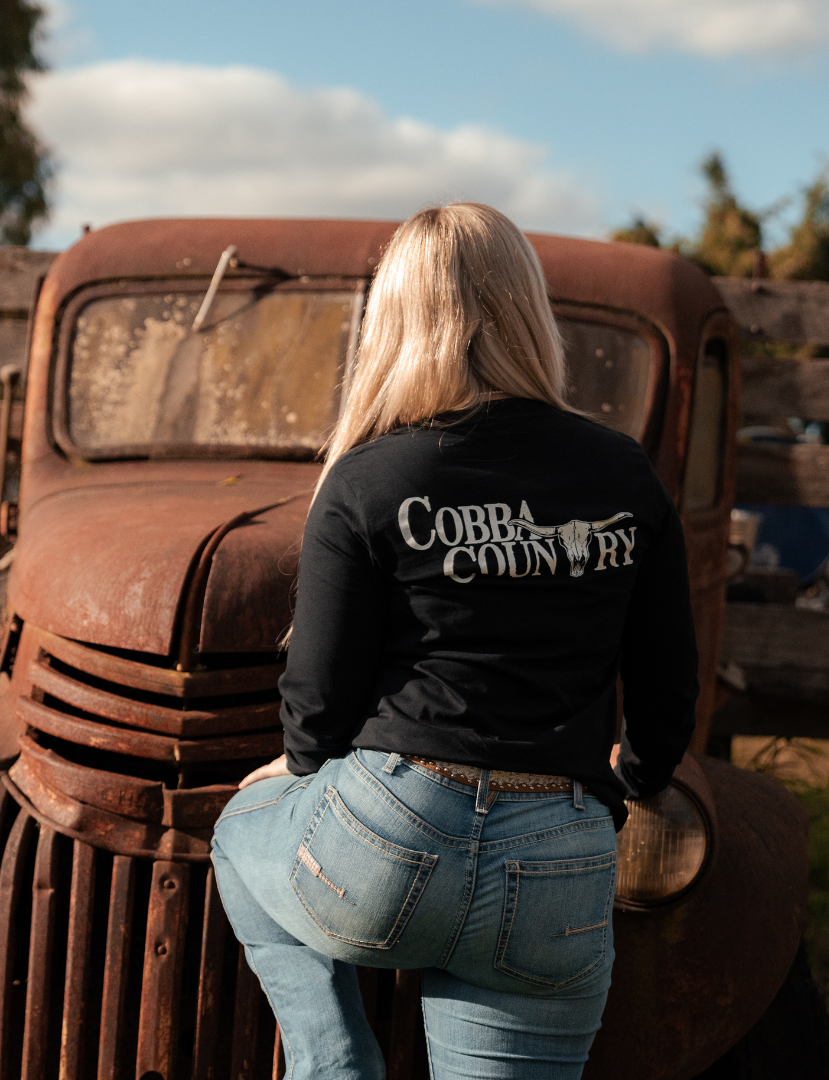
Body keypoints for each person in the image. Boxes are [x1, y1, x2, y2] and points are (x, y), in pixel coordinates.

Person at [211, 203, 699, 1080]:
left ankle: (333, 1066)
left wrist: (288, 772)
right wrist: (631, 784)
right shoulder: (624, 472)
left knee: (239, 829)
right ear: (528, 311)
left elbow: (316, 713)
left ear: (396, 317)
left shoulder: (366, 477)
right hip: (560, 856)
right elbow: (668, 692)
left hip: (389, 835)